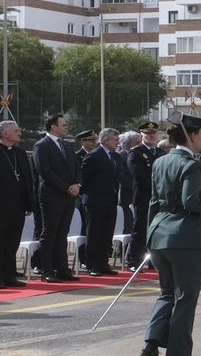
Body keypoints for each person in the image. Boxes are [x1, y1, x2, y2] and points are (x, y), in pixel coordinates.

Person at [140, 113, 201, 356]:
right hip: (184, 236)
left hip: (159, 232)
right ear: (192, 135)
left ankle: (151, 342)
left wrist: (150, 236)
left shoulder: (160, 162)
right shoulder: (192, 165)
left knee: (167, 293)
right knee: (185, 298)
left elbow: (153, 202)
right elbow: (191, 202)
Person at [0, 120, 35, 288]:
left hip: (18, 207)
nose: (19, 133)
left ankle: (10, 275)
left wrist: (29, 204)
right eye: (16, 131)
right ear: (5, 134)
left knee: (12, 243)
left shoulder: (20, 153)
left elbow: (27, 180)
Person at [33, 114, 83, 282]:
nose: (66, 127)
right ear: (53, 126)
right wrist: (66, 187)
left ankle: (62, 268)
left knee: (63, 232)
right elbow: (45, 171)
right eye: (63, 125)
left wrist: (77, 184)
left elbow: (76, 167)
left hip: (69, 196)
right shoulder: (42, 146)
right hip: (52, 195)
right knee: (49, 232)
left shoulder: (67, 145)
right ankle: (47, 270)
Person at [79, 129, 122, 275]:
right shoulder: (94, 156)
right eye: (115, 140)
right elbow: (83, 178)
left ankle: (103, 263)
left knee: (107, 233)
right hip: (95, 201)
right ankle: (93, 264)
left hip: (110, 200)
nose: (118, 142)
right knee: (95, 233)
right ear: (105, 140)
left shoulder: (115, 156)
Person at [126, 121, 163, 266]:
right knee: (140, 229)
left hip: (158, 197)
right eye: (147, 133)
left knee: (156, 230)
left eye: (153, 133)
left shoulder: (160, 153)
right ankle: (134, 260)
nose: (151, 136)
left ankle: (153, 260)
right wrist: (158, 186)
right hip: (143, 197)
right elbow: (139, 175)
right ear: (142, 135)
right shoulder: (136, 152)